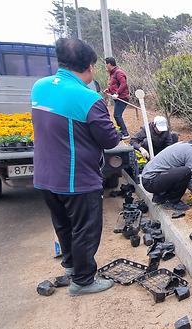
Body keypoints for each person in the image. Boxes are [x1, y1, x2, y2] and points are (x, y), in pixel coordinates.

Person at [31, 38, 121, 296]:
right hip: (76, 178)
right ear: (90, 66)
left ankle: (71, 266)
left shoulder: (39, 87)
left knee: (63, 225)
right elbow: (110, 140)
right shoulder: (88, 98)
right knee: (85, 228)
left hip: (45, 176)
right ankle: (83, 281)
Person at [141, 132, 192, 211]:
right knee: (186, 172)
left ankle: (160, 197)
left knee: (182, 171)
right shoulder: (191, 153)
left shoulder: (186, 145)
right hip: (151, 181)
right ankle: (172, 202)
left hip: (149, 179)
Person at [103, 57, 130, 139]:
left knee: (117, 115)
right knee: (117, 115)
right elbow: (114, 85)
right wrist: (109, 90)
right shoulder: (112, 73)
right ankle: (122, 132)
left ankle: (125, 133)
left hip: (123, 97)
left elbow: (123, 84)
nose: (106, 66)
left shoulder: (118, 72)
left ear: (109, 64)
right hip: (117, 97)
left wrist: (117, 93)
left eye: (106, 64)